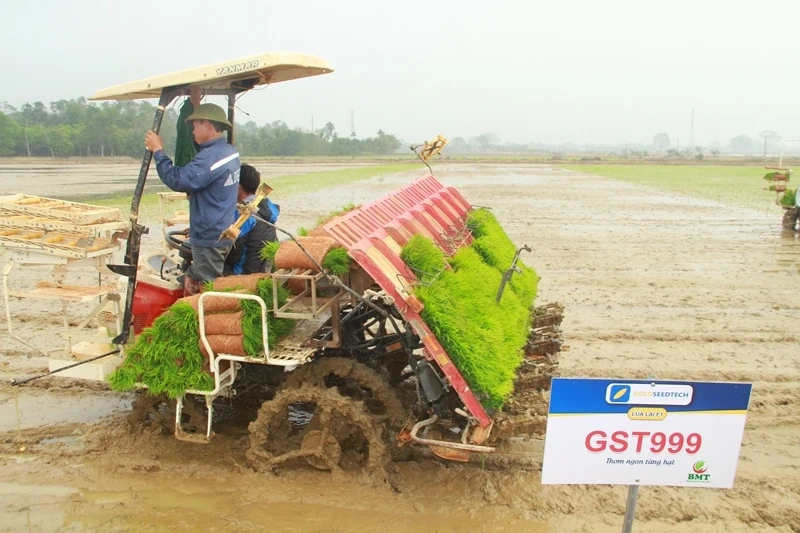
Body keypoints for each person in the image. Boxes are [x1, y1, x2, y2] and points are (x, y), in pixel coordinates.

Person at [144, 103, 240, 295]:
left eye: (195, 126)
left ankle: (208, 321)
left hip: (209, 236)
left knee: (208, 289)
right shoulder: (229, 152)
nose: (193, 132)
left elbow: (178, 179)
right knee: (196, 275)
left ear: (207, 125)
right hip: (222, 228)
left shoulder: (210, 158)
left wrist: (158, 151)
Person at [223, 163, 280, 275]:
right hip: (262, 268)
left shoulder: (244, 215)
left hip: (243, 273)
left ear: (238, 187)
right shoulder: (263, 207)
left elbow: (230, 252)